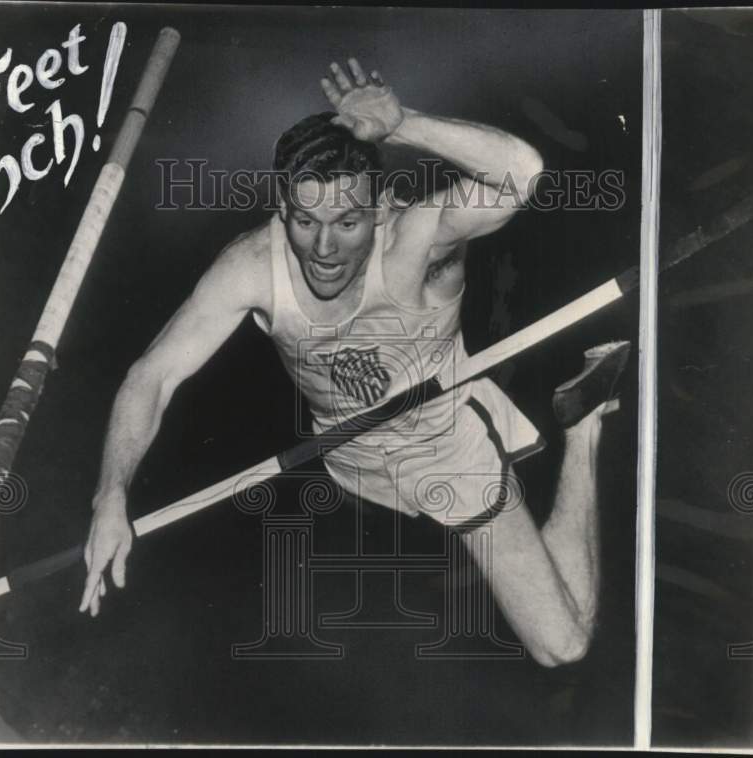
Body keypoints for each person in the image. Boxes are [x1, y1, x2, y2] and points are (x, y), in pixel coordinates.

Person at [79, 58, 629, 667]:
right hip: (344, 457)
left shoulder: (419, 237)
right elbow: (152, 376)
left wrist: (406, 124)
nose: (323, 248)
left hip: (441, 444)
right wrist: (111, 497)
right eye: (304, 219)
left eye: (346, 221)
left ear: (381, 206)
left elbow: (521, 175)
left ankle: (582, 428)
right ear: (281, 207)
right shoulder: (252, 265)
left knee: (562, 645)